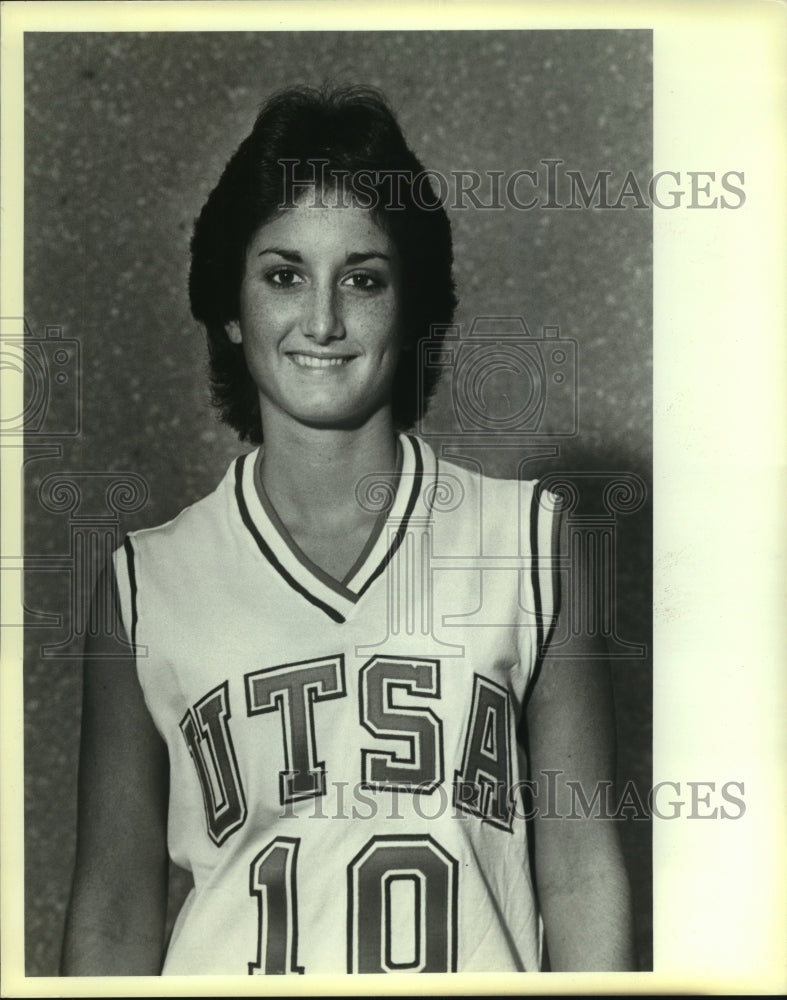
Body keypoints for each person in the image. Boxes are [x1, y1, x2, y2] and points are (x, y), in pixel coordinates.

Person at [61, 85, 634, 975]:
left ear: (409, 309)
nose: (323, 321)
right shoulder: (146, 582)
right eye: (283, 275)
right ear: (228, 304)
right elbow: (113, 912)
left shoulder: (528, 539)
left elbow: (582, 873)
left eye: (362, 279)